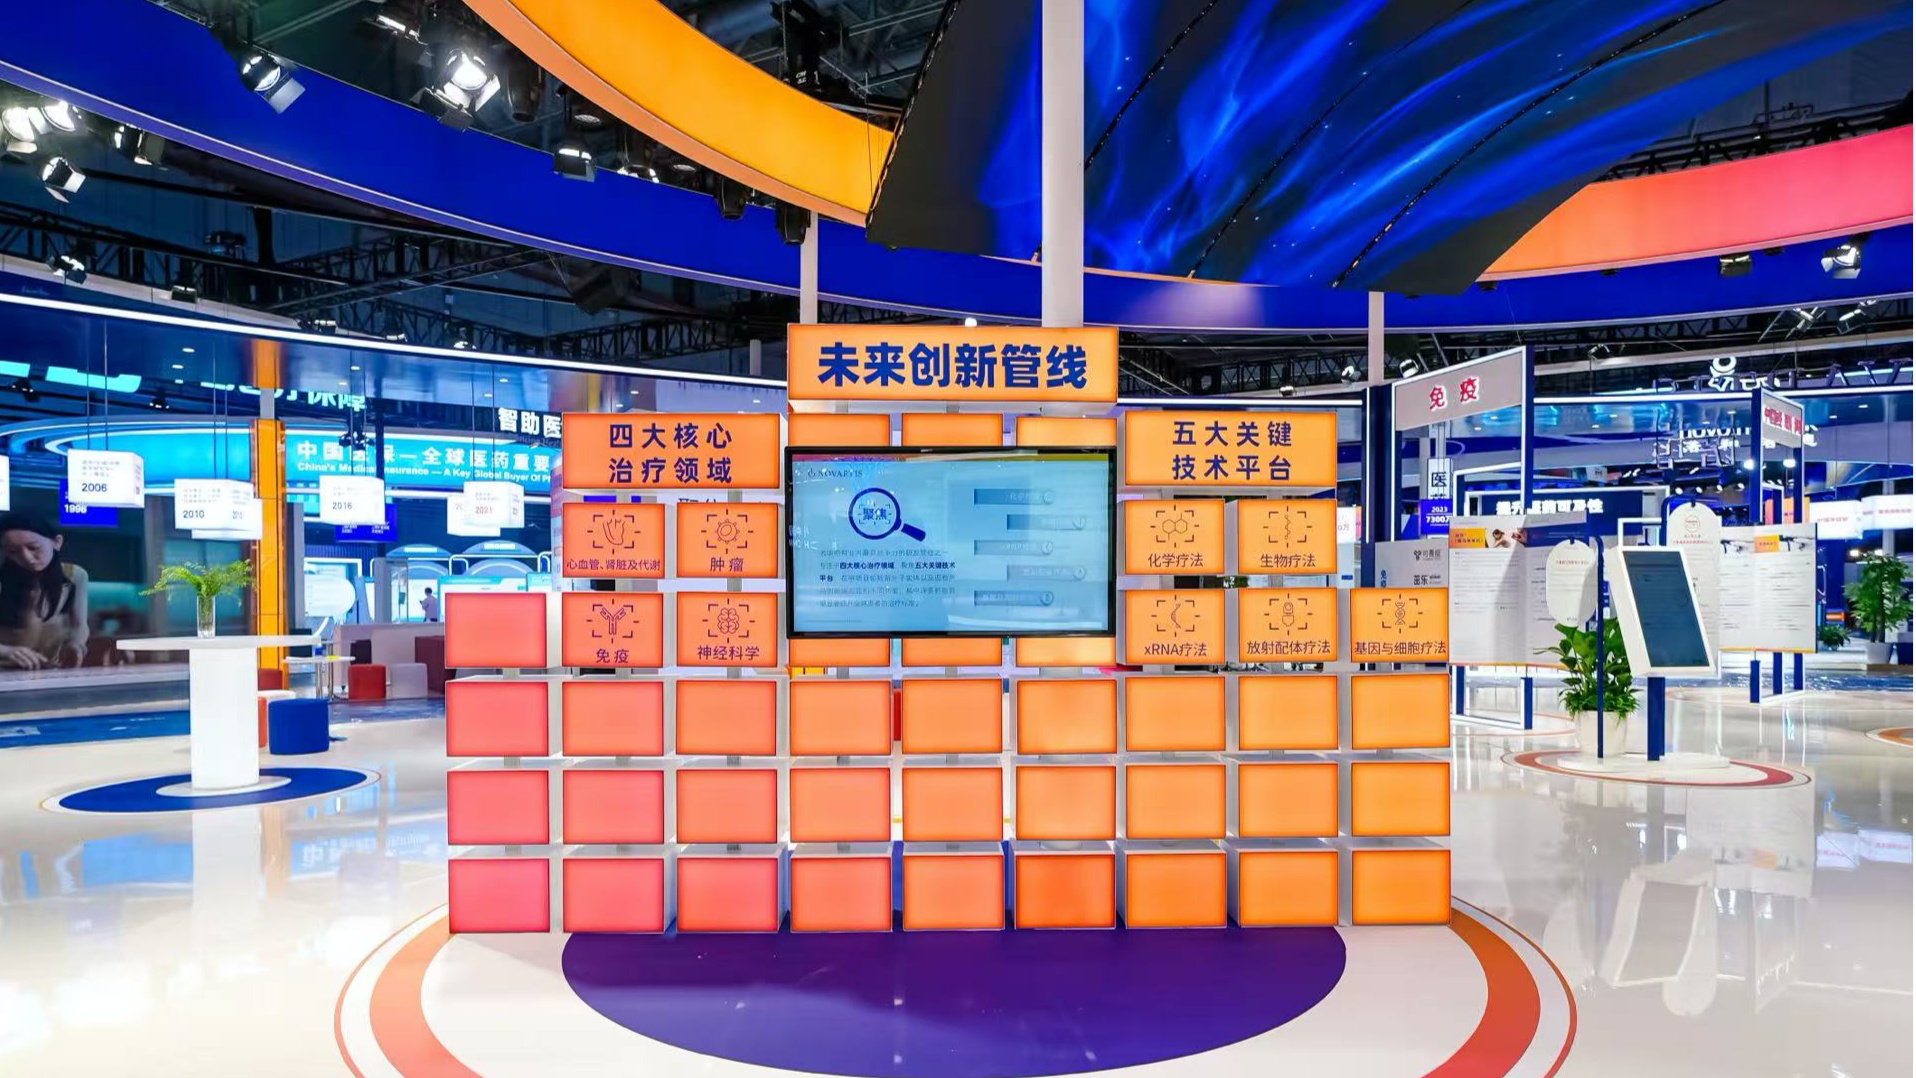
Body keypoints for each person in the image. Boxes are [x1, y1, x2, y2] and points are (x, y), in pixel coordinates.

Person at [0, 513, 89, 670]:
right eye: (13, 551)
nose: (26, 558)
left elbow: (79, 625)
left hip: (49, 671)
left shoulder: (74, 576)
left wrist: (76, 643)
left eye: (33, 548)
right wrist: (6, 651)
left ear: (57, 542)